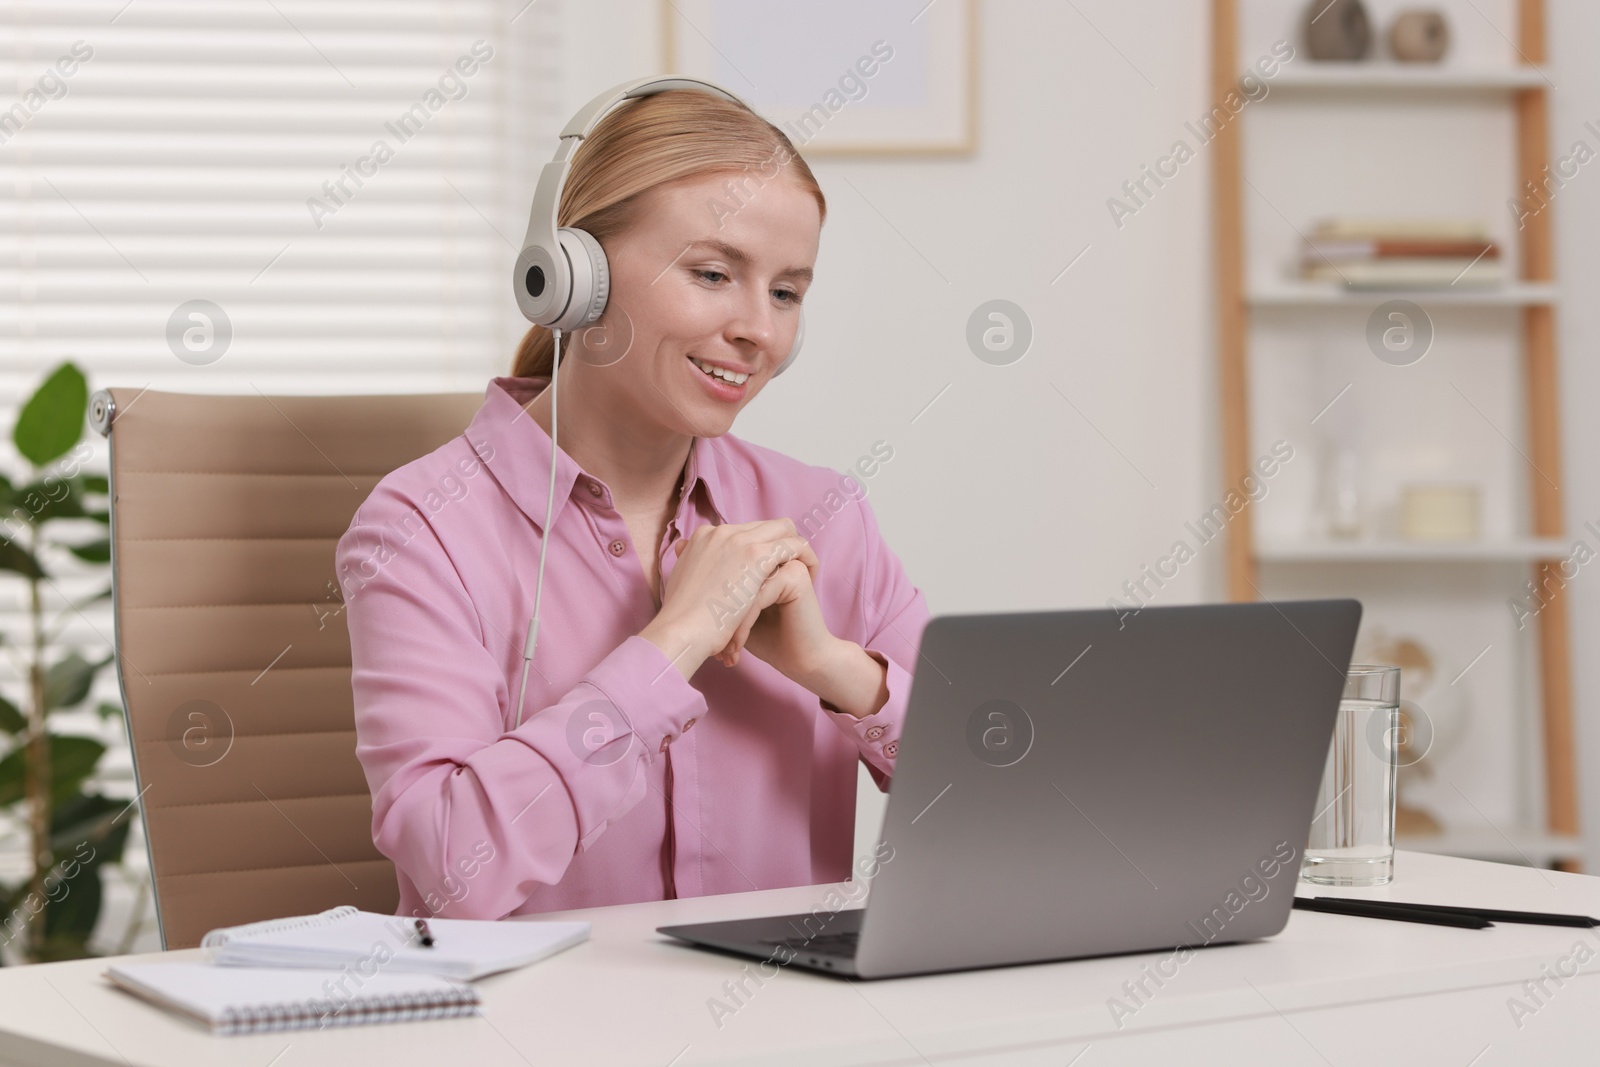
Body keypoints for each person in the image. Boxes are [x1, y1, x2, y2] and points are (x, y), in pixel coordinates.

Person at [334, 85, 928, 923]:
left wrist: (836, 669)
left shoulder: (820, 512)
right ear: (573, 278)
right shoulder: (423, 527)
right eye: (714, 274)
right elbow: (451, 874)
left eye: (787, 292)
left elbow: (1020, 788)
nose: (759, 329)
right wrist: (676, 639)